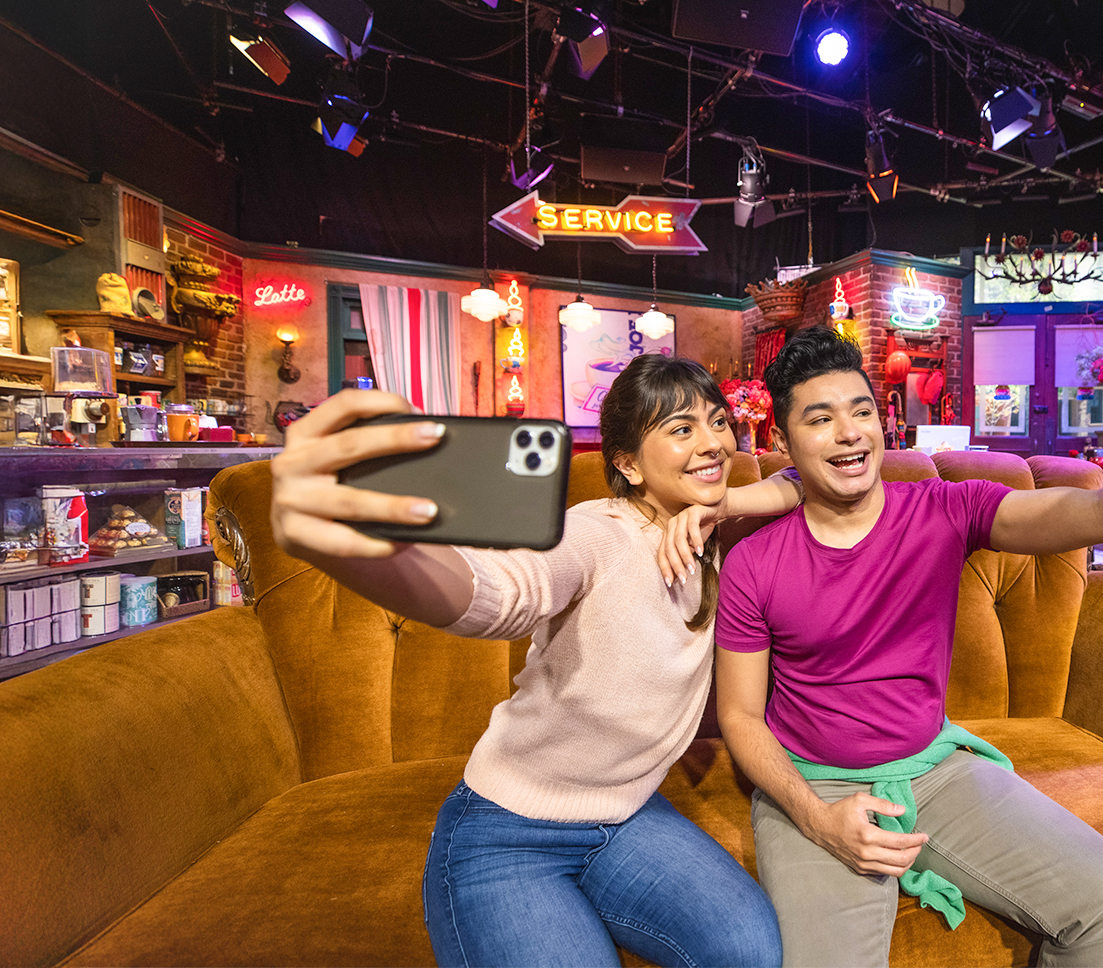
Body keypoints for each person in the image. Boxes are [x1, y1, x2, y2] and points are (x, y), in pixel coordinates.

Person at [710, 310, 1103, 968]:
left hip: (935, 772)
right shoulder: (756, 561)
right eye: (819, 419)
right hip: (816, 784)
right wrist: (814, 818)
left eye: (860, 411)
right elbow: (741, 716)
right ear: (783, 436)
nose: (848, 434)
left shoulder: (945, 508)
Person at [269, 354, 798, 968]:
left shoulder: (712, 532)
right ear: (626, 463)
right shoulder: (598, 531)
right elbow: (506, 591)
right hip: (509, 832)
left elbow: (807, 480)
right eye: (681, 430)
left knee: (750, 951)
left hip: (627, 816)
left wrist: (725, 502)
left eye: (716, 422)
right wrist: (360, 547)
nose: (712, 444)